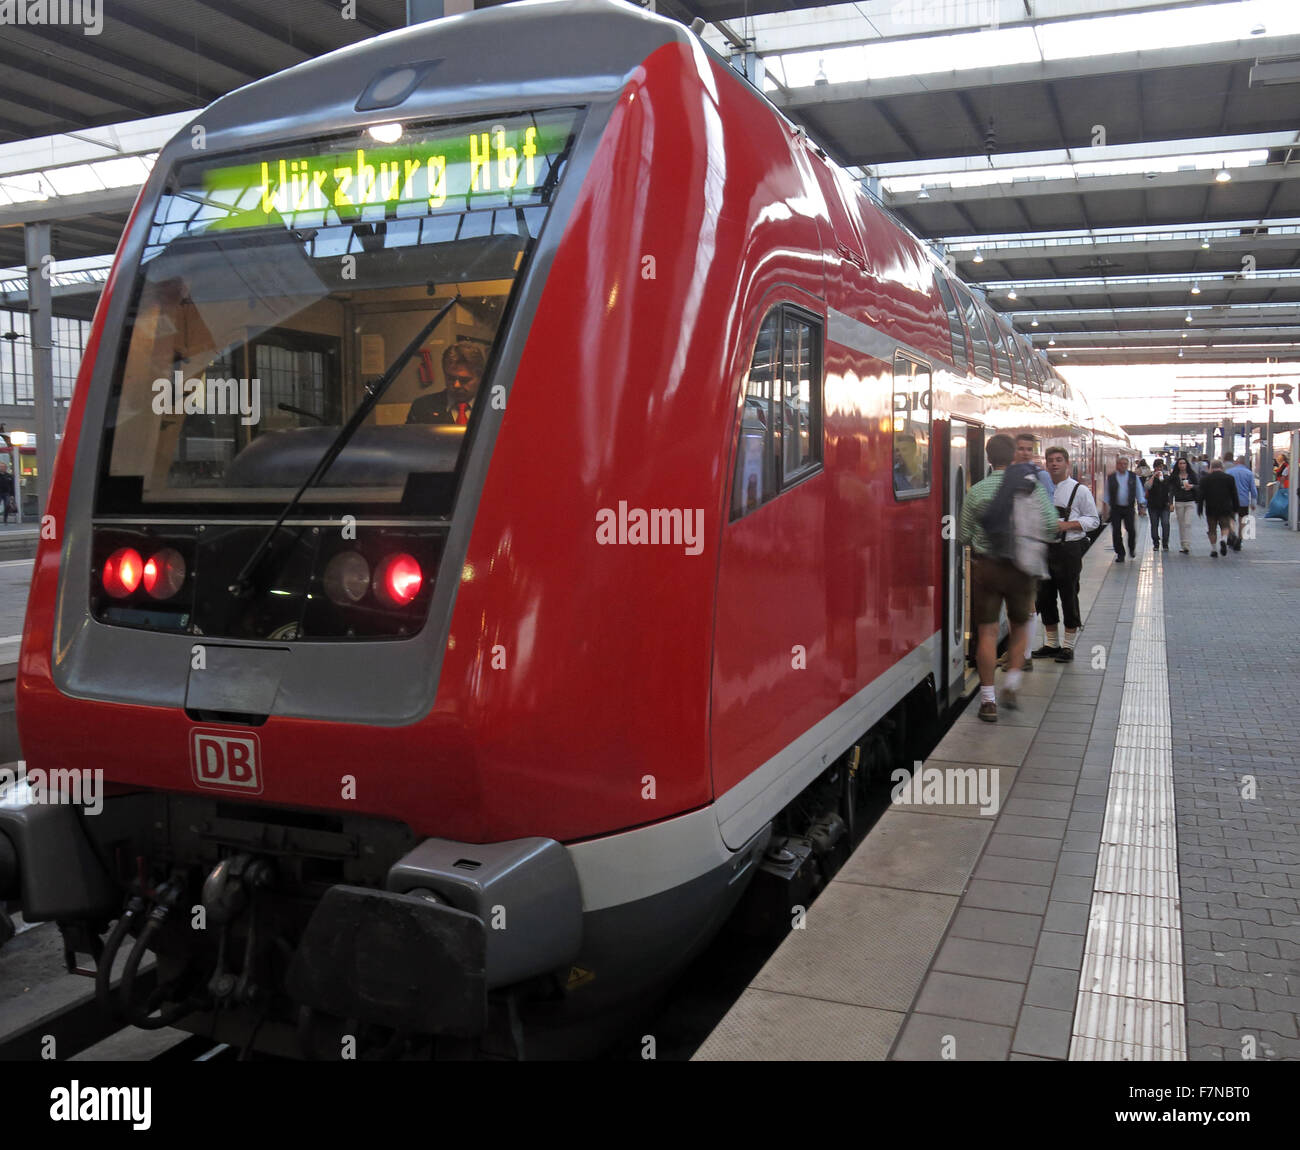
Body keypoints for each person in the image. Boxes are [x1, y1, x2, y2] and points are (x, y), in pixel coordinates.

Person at [958, 434, 1059, 723]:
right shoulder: (1032, 487)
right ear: (1014, 455)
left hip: (987, 569)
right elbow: (1051, 526)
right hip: (1021, 569)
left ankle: (988, 701)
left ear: (988, 458)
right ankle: (1012, 684)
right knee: (1019, 628)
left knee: (987, 634)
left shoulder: (976, 491)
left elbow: (963, 535)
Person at [1033, 446, 1099, 663]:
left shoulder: (1079, 490)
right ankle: (1051, 644)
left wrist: (1067, 525)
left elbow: (1094, 520)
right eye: (1050, 460)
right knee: (1044, 597)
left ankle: (1068, 647)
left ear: (1067, 463)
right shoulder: (1039, 489)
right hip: (1044, 549)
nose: (1054, 464)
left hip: (1068, 551)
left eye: (1058, 460)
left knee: (1069, 596)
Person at [406, 342, 485, 425]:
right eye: (450, 378)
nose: (456, 385)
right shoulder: (422, 407)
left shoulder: (495, 408)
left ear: (480, 377)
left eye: (464, 380)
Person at [1102, 455, 1146, 563]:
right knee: (1116, 532)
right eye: (1120, 464)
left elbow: (1139, 492)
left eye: (1125, 464)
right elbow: (1106, 495)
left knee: (1131, 530)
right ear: (1117, 465)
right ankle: (1120, 553)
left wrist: (1142, 506)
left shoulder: (1133, 477)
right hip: (1116, 508)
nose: (1122, 466)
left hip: (1129, 508)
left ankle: (1131, 548)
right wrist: (1105, 510)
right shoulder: (1111, 478)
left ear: (1127, 465)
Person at [1196, 460, 1239, 557]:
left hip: (1211, 508)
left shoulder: (1205, 479)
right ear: (1222, 467)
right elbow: (1234, 494)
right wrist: (1236, 507)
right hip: (1225, 507)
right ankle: (1223, 539)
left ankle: (1214, 549)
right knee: (1225, 526)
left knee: (1212, 529)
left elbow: (1201, 495)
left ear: (1211, 467)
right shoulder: (1229, 478)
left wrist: (1199, 509)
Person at [1223, 452, 1259, 551]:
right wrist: (1253, 502)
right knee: (1242, 520)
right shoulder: (1249, 473)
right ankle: (1239, 539)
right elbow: (1253, 489)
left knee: (1230, 518)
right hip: (1243, 500)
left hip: (1230, 500)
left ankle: (1232, 532)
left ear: (1236, 462)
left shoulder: (1229, 472)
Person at [1170, 456, 1199, 553]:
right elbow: (1171, 490)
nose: (1182, 465)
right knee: (1181, 524)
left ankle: (1187, 544)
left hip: (1190, 501)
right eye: (1180, 463)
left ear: (1187, 465)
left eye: (1184, 463)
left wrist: (1192, 486)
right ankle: (1183, 544)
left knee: (1188, 523)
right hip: (1179, 501)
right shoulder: (1174, 476)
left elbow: (1198, 486)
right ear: (1177, 465)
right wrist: (1171, 503)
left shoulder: (1192, 475)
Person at [1144, 459, 1174, 552]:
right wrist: (1153, 476)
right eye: (1157, 467)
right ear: (1154, 468)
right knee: (1154, 524)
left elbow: (1171, 491)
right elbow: (1147, 486)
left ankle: (1165, 543)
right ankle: (1156, 543)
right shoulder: (1149, 477)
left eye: (1160, 467)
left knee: (1165, 523)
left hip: (1165, 505)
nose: (1159, 468)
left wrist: (1171, 503)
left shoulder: (1167, 478)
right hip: (1153, 505)